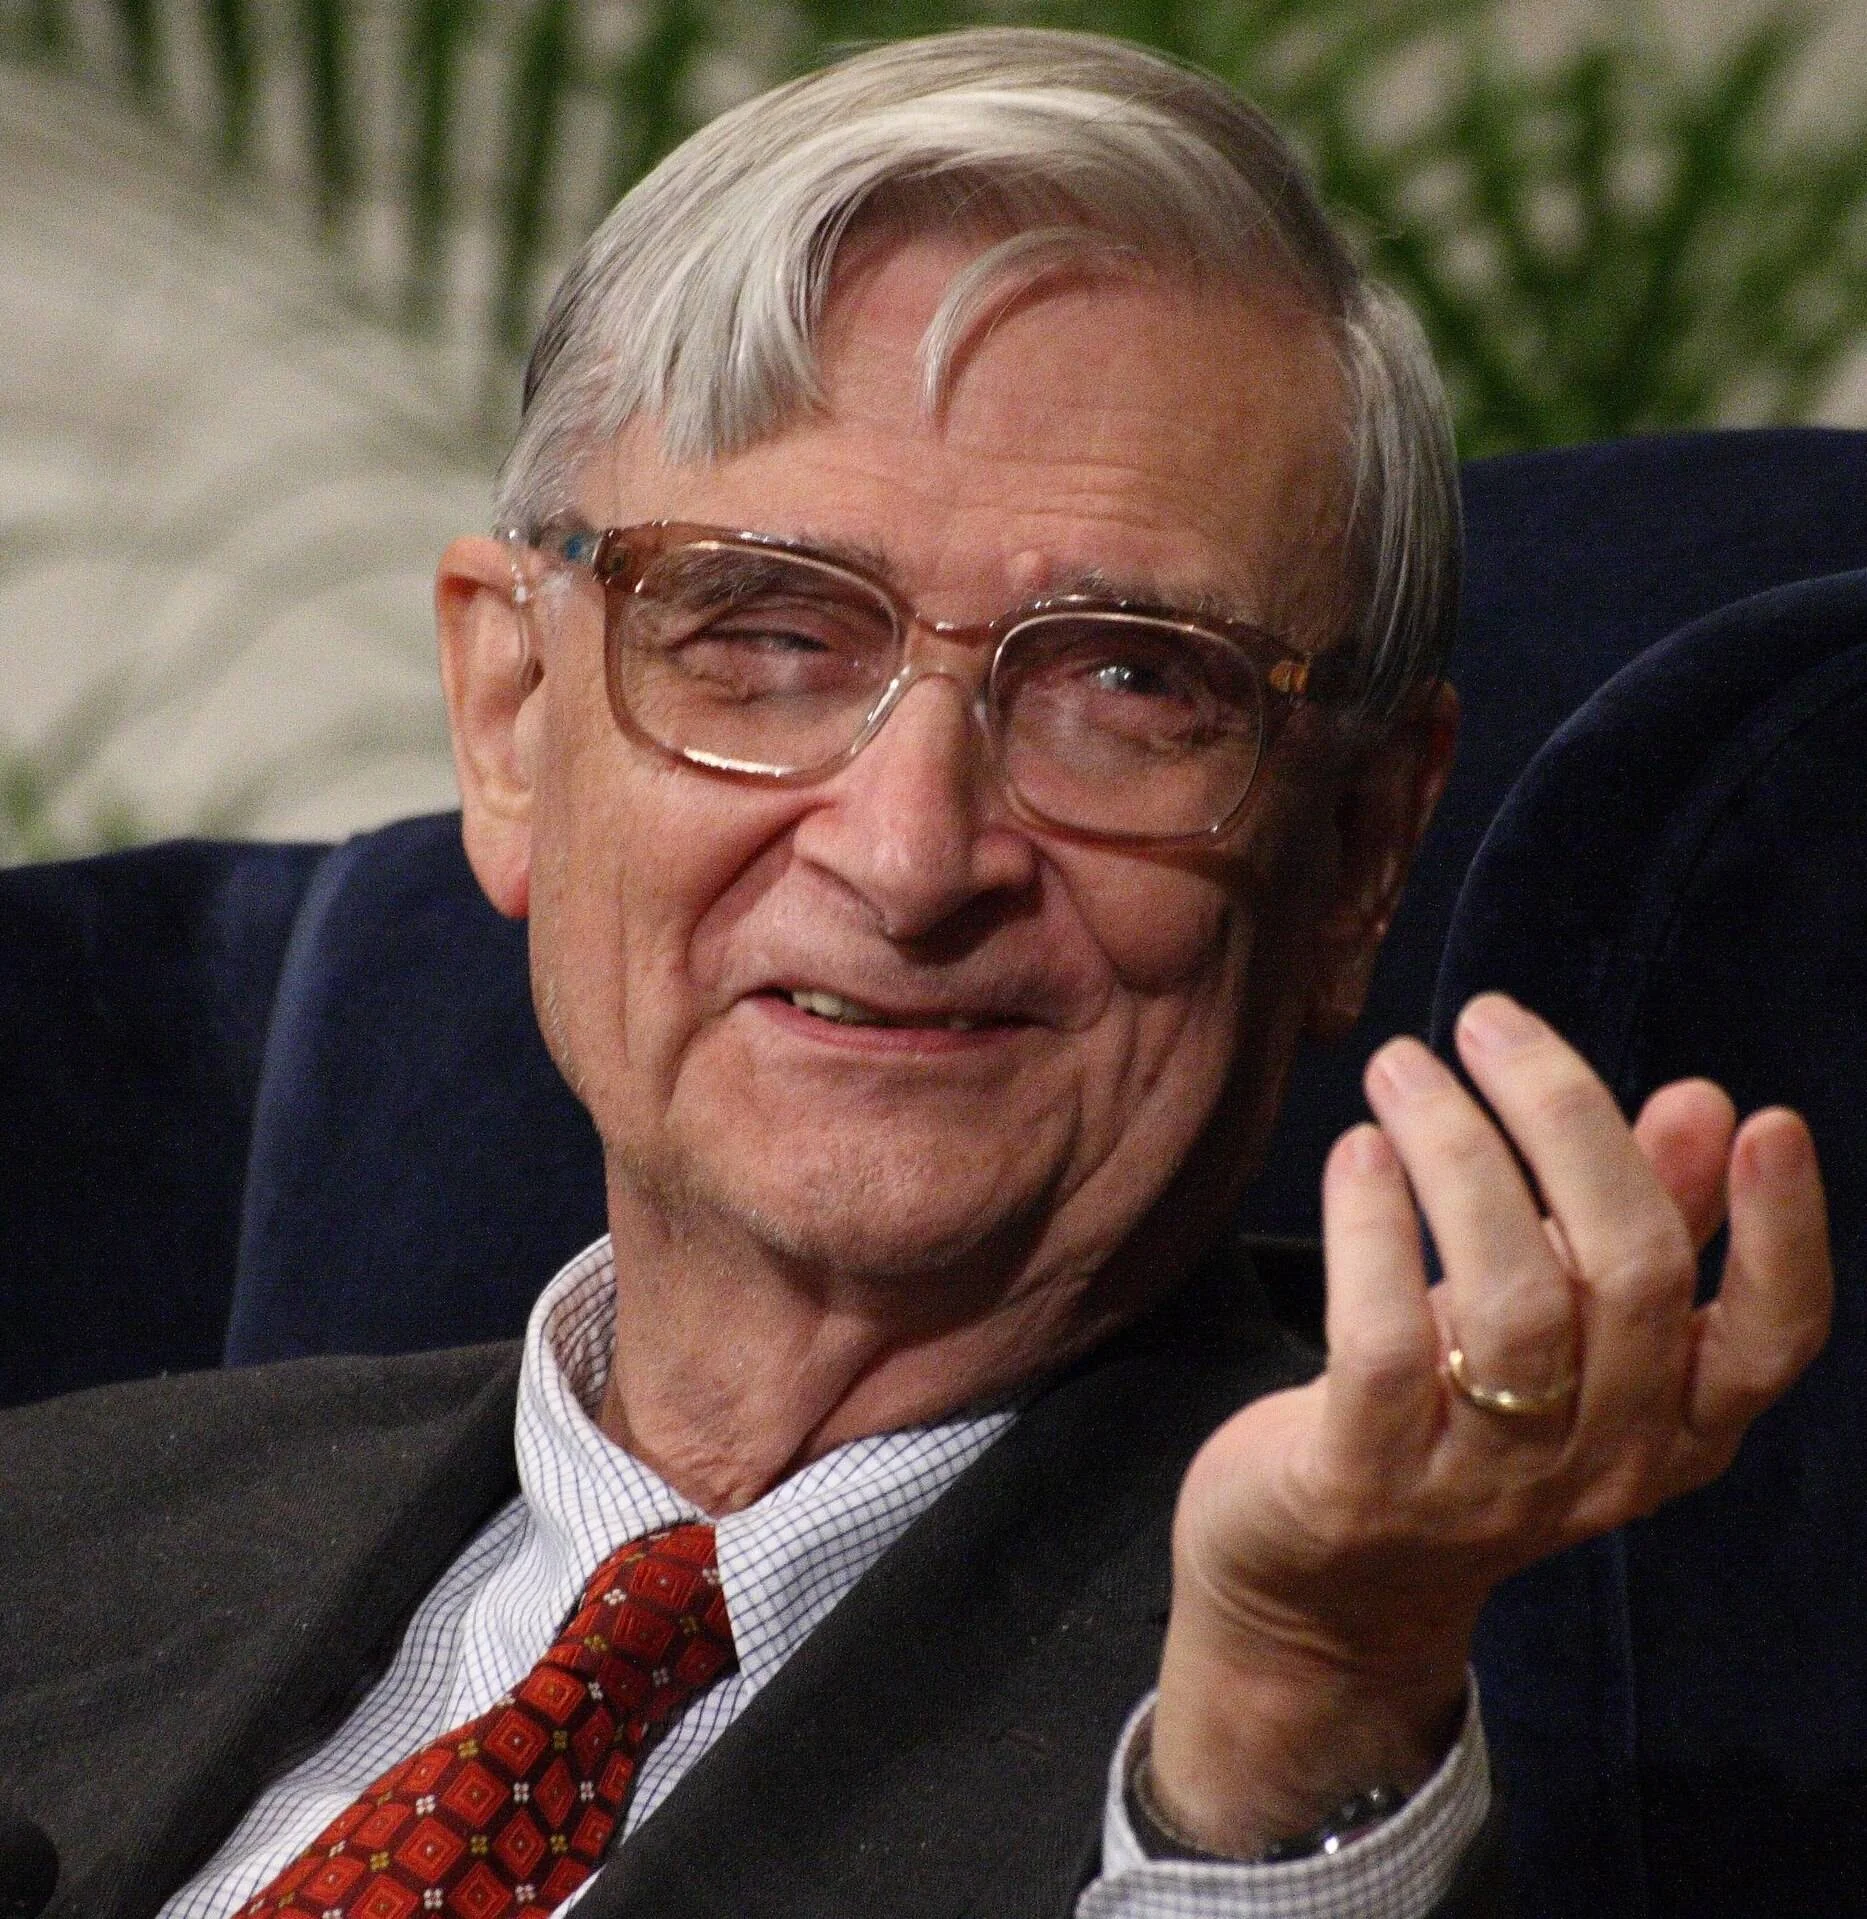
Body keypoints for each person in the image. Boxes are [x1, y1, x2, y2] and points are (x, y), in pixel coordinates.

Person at [0, 27, 1832, 1919]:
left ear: (1360, 849)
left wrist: (1297, 1743)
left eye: (1128, 682)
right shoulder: (57, 1526)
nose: (908, 852)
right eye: (767, 634)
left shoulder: (1477, 1678)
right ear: (510, 716)